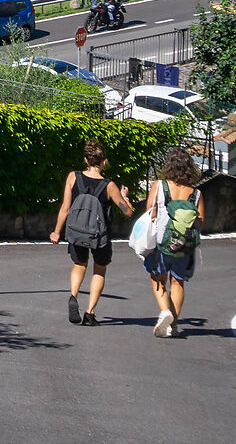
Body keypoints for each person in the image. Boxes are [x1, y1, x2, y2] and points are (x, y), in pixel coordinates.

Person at [48, 139, 132, 326]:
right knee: (99, 270)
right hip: (100, 235)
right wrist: (125, 197)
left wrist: (56, 231)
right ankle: (90, 314)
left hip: (77, 231)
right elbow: (127, 212)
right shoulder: (109, 185)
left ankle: (73, 296)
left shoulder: (73, 177)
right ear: (104, 161)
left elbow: (65, 207)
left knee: (79, 264)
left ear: (86, 160)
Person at [143, 149, 204, 337]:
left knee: (157, 278)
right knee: (177, 282)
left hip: (162, 242)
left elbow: (150, 211)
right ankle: (173, 326)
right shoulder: (196, 193)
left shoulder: (159, 186)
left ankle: (165, 311)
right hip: (184, 245)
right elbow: (200, 220)